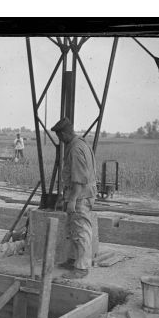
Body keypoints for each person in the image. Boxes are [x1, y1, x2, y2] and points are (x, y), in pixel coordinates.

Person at [50, 117, 97, 279]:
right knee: (73, 229)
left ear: (63, 133)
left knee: (81, 230)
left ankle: (82, 268)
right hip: (79, 194)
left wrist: (72, 200)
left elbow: (79, 178)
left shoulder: (76, 149)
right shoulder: (79, 144)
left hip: (80, 196)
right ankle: (73, 260)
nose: (60, 140)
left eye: (59, 136)